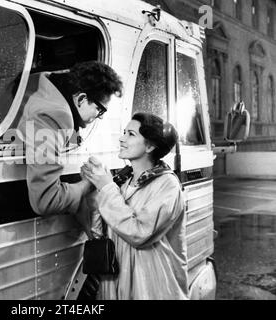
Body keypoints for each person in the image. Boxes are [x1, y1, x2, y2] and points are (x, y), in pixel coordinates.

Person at [80, 112, 189, 300]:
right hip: (117, 287)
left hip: (151, 289)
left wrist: (106, 188)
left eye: (131, 134)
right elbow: (100, 235)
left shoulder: (167, 185)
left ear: (150, 145)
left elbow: (139, 233)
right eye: (124, 132)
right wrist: (95, 189)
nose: (121, 138)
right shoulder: (121, 182)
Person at [16, 61, 123, 216]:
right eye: (100, 110)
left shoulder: (44, 84)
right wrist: (88, 184)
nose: (99, 117)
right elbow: (46, 201)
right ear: (81, 99)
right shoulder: (53, 116)